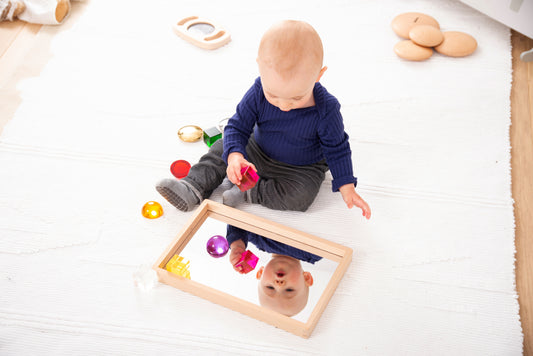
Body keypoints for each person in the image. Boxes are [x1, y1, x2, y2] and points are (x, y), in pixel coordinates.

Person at [156, 20, 371, 218]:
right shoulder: (259, 89)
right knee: (221, 147)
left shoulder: (327, 109)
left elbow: (338, 148)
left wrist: (346, 185)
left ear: (318, 75)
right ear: (259, 66)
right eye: (274, 95)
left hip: (301, 168)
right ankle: (193, 186)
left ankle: (251, 191)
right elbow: (238, 126)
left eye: (297, 97)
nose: (284, 105)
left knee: (301, 196)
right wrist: (235, 156)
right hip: (257, 149)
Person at [227, 225, 316, 317]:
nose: (279, 284)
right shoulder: (315, 253)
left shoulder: (259, 239)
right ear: (307, 278)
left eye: (270, 287)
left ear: (261, 273)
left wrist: (237, 246)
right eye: (289, 290)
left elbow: (237, 223)